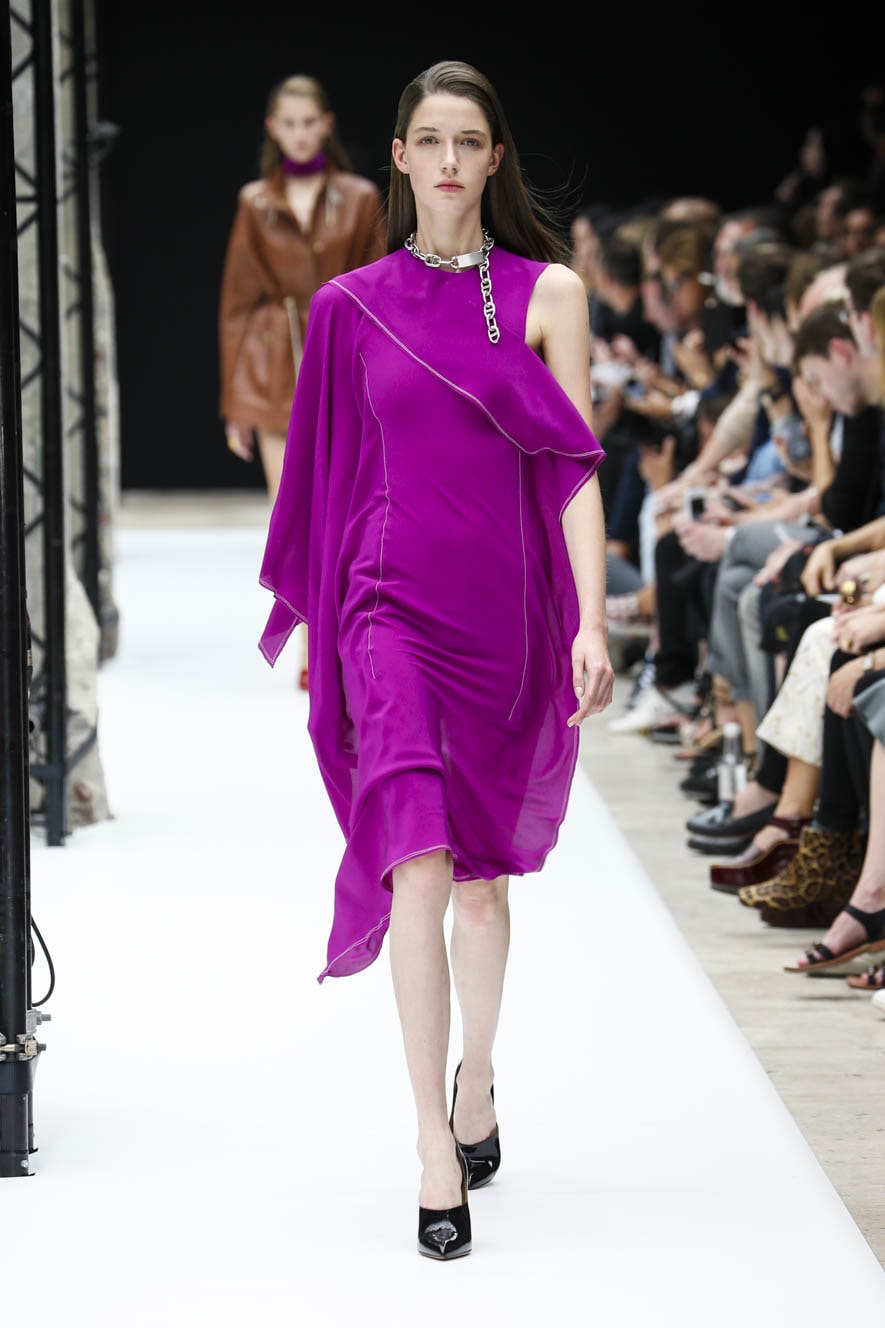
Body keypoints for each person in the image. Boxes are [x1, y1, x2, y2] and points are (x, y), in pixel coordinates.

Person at [256, 60, 614, 1261]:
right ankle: (430, 1144)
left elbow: (572, 470)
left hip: (505, 615)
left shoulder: (549, 295)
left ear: (494, 158)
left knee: (481, 883)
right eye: (431, 139)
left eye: (471, 140)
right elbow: (324, 475)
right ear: (400, 157)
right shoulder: (347, 306)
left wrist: (592, 619)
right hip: (386, 611)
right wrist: (321, 622)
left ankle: (477, 1076)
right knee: (417, 858)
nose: (451, 160)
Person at [218, 73, 386, 687]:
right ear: (272, 129)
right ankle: (314, 646)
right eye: (287, 123)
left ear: (326, 124)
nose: (299, 134)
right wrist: (235, 403)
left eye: (308, 122)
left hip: (344, 362)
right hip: (272, 369)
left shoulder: (360, 198)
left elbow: (381, 285)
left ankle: (340, 635)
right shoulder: (255, 201)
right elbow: (237, 304)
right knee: (292, 512)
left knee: (344, 508)